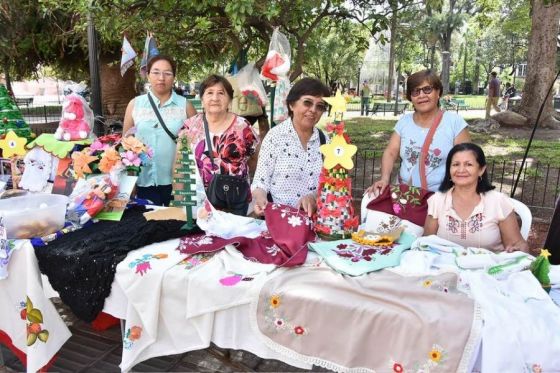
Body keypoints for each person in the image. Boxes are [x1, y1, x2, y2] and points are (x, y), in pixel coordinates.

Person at [366, 69, 471, 196]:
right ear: (410, 97)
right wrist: (384, 179)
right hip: (405, 193)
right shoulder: (404, 122)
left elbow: (467, 161)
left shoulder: (454, 123)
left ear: (438, 92)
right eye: (415, 91)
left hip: (440, 197)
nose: (421, 95)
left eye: (427, 89)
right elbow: (391, 151)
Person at [424, 143, 529, 253]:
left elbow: (517, 244)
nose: (461, 170)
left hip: (489, 268)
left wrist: (518, 249)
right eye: (455, 164)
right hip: (445, 268)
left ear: (481, 170)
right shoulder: (438, 200)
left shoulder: (498, 202)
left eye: (468, 164)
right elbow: (426, 243)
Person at [180, 74, 259, 215]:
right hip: (199, 206)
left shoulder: (243, 127)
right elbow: (180, 163)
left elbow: (254, 160)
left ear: (229, 100)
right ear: (202, 99)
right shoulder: (190, 126)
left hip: (234, 203)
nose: (215, 98)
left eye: (221, 93)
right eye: (209, 93)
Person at [123, 55, 197, 206]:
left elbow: (198, 143)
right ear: (148, 75)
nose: (161, 78)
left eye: (167, 73)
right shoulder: (135, 105)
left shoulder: (185, 106)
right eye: (156, 72)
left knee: (176, 225)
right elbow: (126, 144)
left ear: (174, 77)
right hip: (143, 181)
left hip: (178, 183)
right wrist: (129, 182)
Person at [252, 78, 331, 217]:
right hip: (281, 223)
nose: (313, 110)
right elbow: (260, 182)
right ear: (291, 105)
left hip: (318, 223)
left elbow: (332, 184)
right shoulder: (275, 137)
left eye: (320, 106)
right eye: (307, 102)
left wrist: (314, 197)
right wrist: (261, 200)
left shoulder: (325, 141)